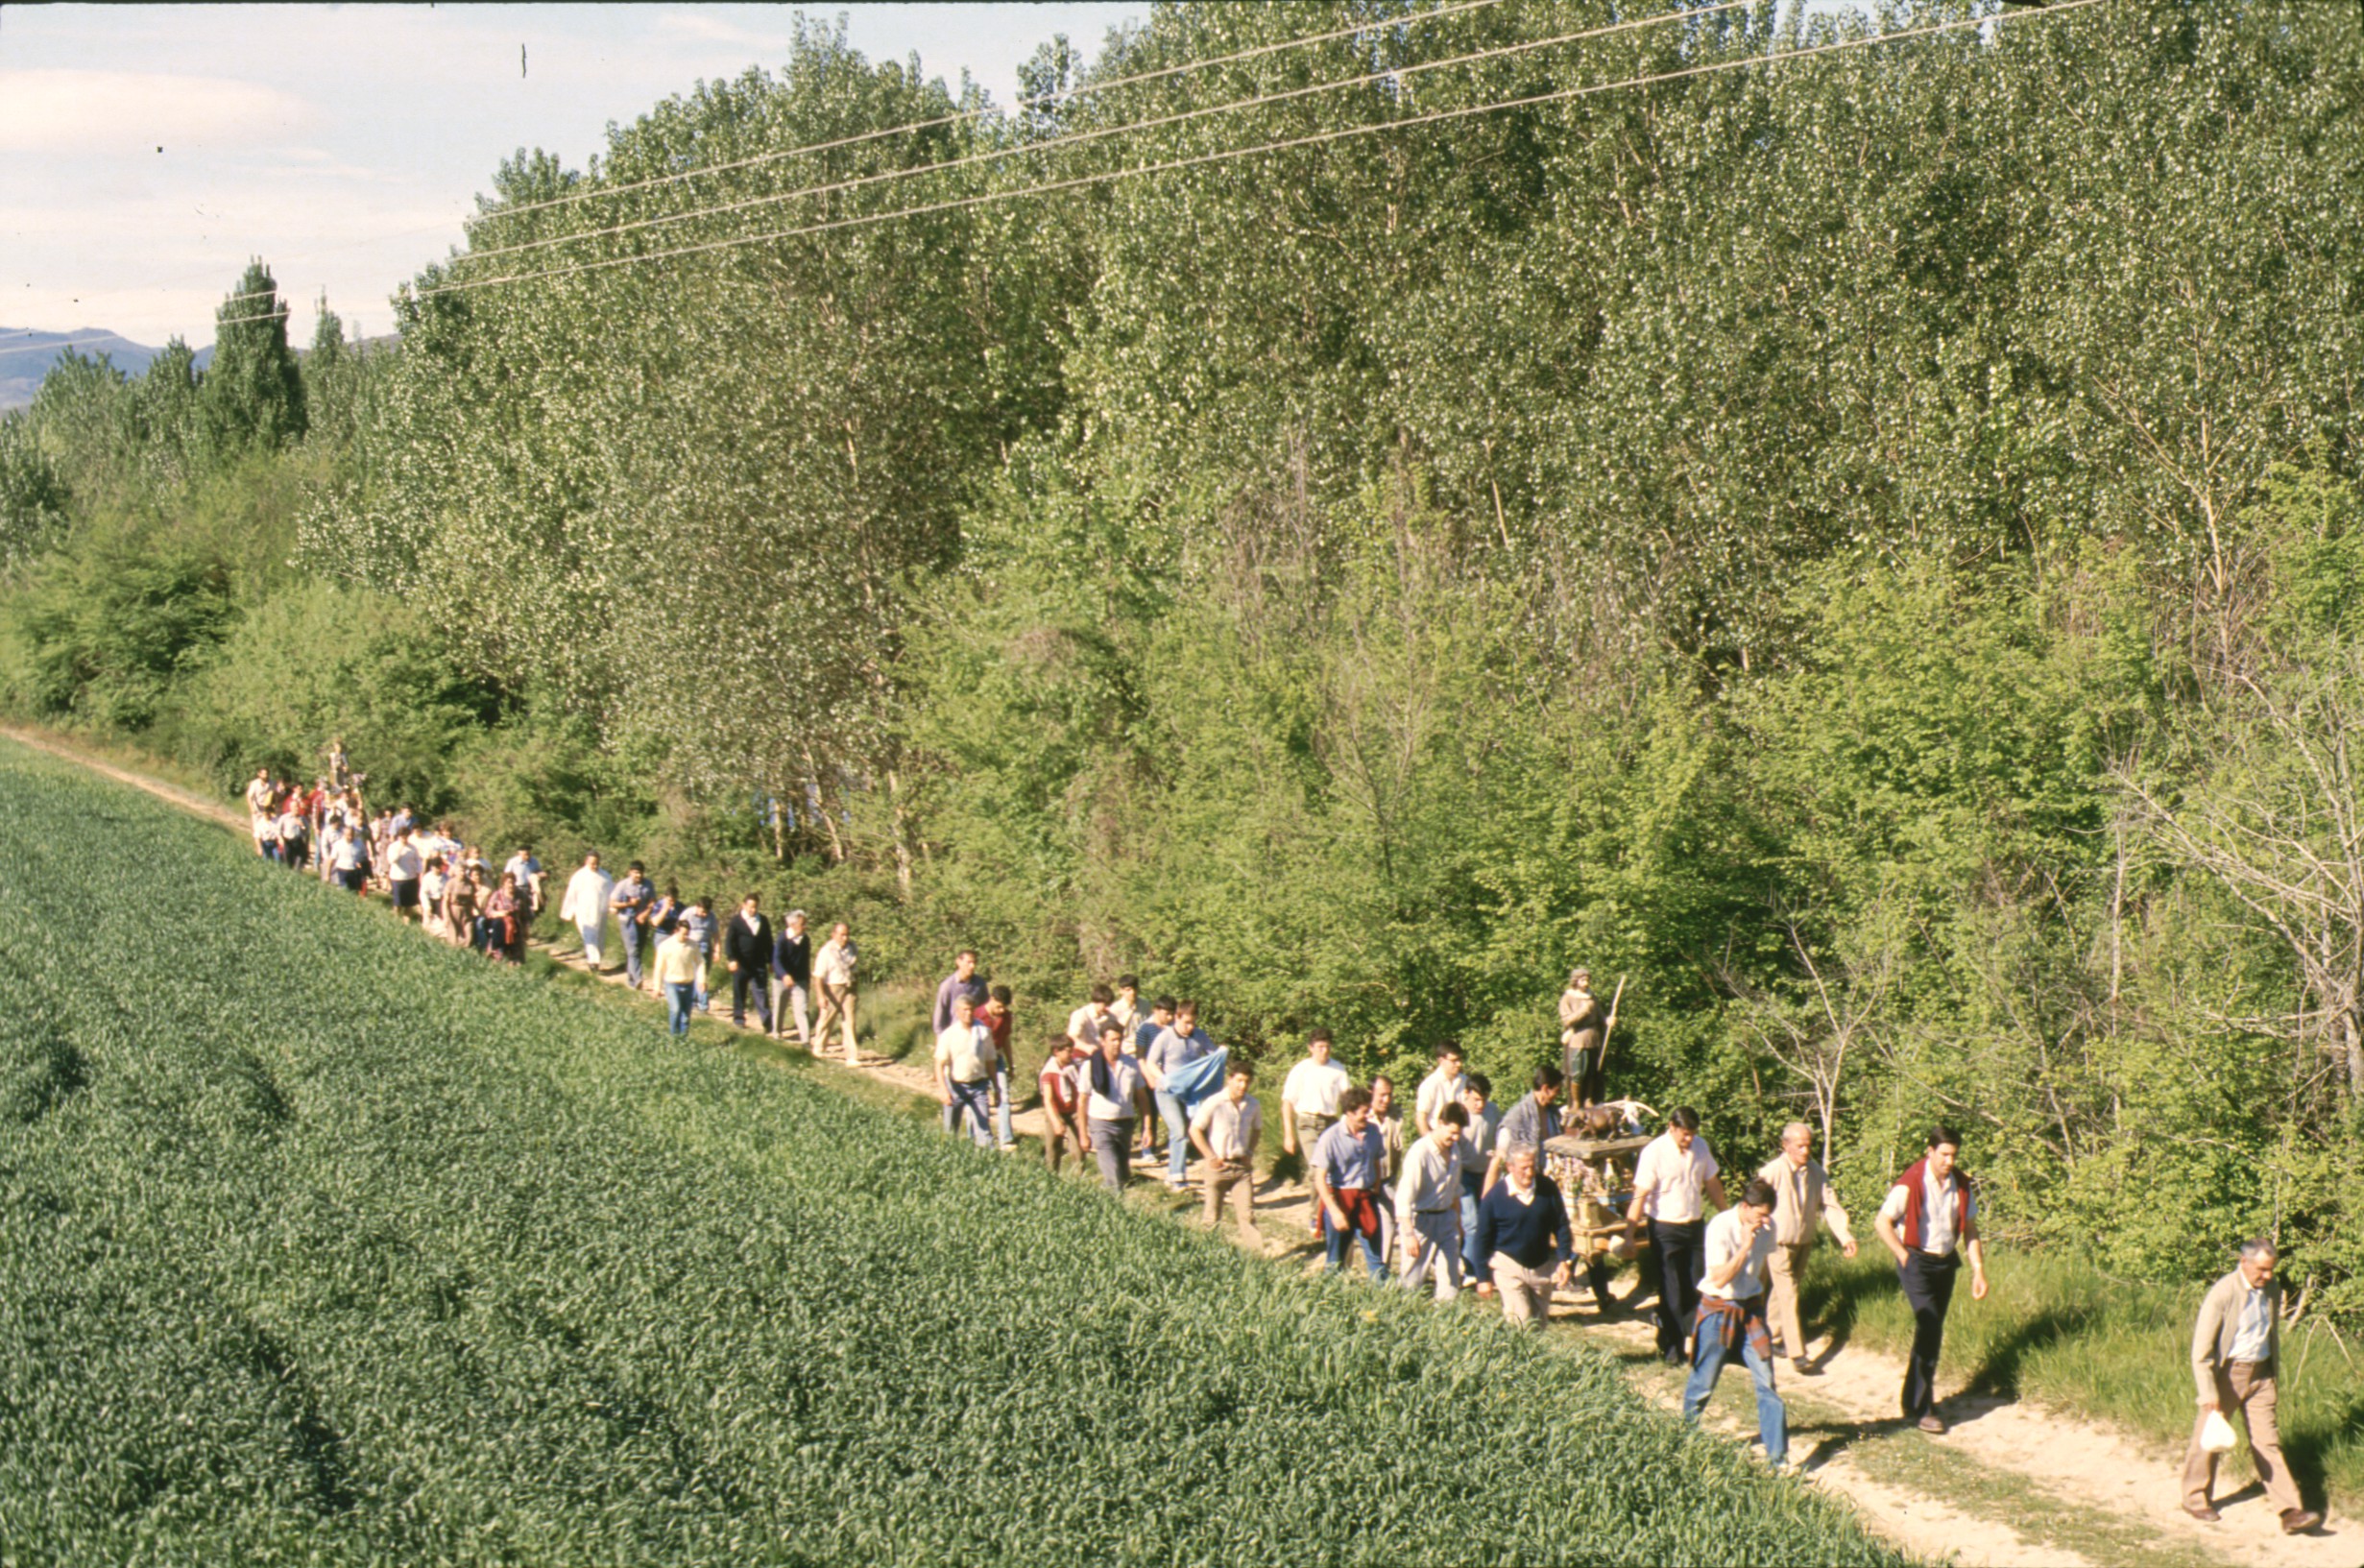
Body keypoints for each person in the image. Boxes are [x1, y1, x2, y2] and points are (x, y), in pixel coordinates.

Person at [2183, 1238, 2320, 1532]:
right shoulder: (2222, 1293)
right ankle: (2195, 1499)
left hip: (2262, 1373)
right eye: (2261, 1269)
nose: (2267, 1276)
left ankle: (2290, 1510)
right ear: (2243, 1263)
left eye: (2270, 1270)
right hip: (2228, 1374)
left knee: (2267, 1442)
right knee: (2209, 1439)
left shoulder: (2271, 1288)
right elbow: (2201, 1351)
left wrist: (2270, 1373)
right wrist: (2208, 1392)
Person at [1873, 1125, 1989, 1434]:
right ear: (1930, 1152)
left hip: (1945, 1262)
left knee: (1931, 1329)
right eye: (1944, 1154)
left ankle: (1912, 1401)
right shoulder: (1911, 1183)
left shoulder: (1961, 1185)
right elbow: (1882, 1222)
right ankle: (1924, 1407)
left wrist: (1978, 1269)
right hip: (1916, 1259)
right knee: (1930, 1327)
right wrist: (1903, 1255)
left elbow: (1970, 1229)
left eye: (1954, 1155)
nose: (1949, 1161)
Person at [1683, 1178, 1790, 1474]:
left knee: (1767, 1382)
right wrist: (1744, 1246)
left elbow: (1761, 1272)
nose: (1765, 1221)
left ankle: (1778, 1461)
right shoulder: (1720, 1226)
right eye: (1760, 1215)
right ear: (1744, 1208)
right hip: (1719, 1309)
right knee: (1703, 1382)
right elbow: (1718, 1278)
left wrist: (1760, 1306)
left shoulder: (1769, 1227)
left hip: (1750, 1311)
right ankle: (1684, 1438)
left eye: (1768, 1215)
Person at [1628, 1106, 1727, 1366]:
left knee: (1696, 1287)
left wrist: (1728, 1217)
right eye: (1685, 1134)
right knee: (1671, 1291)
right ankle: (1672, 1349)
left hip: (1693, 1225)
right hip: (1664, 1229)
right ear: (1671, 1126)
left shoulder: (1700, 1147)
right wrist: (1629, 1234)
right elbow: (1641, 1194)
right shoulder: (1654, 1152)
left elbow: (1712, 1183)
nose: (1689, 1139)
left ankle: (1696, 1343)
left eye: (1693, 1134)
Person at [1757, 1122, 1857, 1374]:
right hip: (1776, 1242)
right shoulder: (1772, 1172)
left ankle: (1772, 1337)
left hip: (1803, 1241)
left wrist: (1845, 1236)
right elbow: (1755, 1202)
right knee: (1789, 1294)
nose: (1805, 1151)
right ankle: (1798, 1353)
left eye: (1809, 1145)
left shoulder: (1815, 1172)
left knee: (1782, 1293)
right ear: (1786, 1145)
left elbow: (1830, 1205)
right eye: (1800, 1146)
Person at [1472, 1143, 1575, 1328]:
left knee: (1538, 1324)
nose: (1529, 1173)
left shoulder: (1547, 1188)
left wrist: (1564, 1260)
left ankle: (1534, 1357)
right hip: (1508, 1263)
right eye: (1523, 1168)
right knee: (1520, 1321)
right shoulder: (1495, 1197)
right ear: (1510, 1167)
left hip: (1541, 1266)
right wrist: (1482, 1278)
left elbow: (1561, 1225)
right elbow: (1481, 1239)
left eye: (1532, 1167)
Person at [1313, 1089, 1389, 1281]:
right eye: (1364, 1112)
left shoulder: (1373, 1132)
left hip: (1365, 1199)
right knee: (1335, 1260)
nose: (1369, 1115)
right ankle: (1329, 1299)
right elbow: (1319, 1177)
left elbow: (1376, 1161)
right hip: (1341, 1198)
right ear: (1349, 1112)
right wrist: (1335, 1211)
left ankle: (1383, 1299)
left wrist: (1376, 1186)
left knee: (1375, 1256)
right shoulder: (1331, 1137)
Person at [1395, 1101, 1468, 1300]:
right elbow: (1403, 1198)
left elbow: (1454, 1191)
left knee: (1451, 1279)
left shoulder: (1455, 1151)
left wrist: (1459, 1224)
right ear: (1440, 1123)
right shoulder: (1420, 1153)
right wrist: (1409, 1234)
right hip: (1421, 1222)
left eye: (1458, 1134)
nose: (1455, 1138)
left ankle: (1445, 1320)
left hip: (1447, 1220)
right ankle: (1402, 1317)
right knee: (1412, 1280)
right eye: (1451, 1133)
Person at [1189, 1062, 1264, 1249]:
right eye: (1239, 1080)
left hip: (1241, 1168)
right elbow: (1195, 1129)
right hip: (1218, 1167)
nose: (1242, 1086)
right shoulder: (1215, 1102)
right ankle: (1205, 1255)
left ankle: (1257, 1260)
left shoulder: (1253, 1104)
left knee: (1248, 1215)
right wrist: (1210, 1157)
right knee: (1212, 1216)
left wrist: (1250, 1152)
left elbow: (1257, 1129)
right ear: (1230, 1079)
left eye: (1246, 1081)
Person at [1145, 1000, 1217, 1192]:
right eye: (1186, 1023)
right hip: (1167, 1092)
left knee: (1190, 1129)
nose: (1190, 1027)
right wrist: (1164, 1078)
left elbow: (1213, 1056)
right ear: (1177, 1017)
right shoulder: (1164, 1037)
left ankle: (1172, 1173)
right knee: (1178, 1130)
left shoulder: (1199, 1035)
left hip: (1190, 1092)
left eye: (1193, 1023)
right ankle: (1178, 1177)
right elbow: (1151, 1062)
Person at [1279, 1027, 1351, 1185]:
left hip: (1330, 1124)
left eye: (1327, 1047)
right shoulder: (1301, 1070)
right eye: (1320, 1048)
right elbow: (1287, 1103)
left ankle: (1320, 1208)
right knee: (1317, 1168)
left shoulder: (1338, 1069)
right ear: (1311, 1048)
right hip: (1307, 1123)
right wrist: (1288, 1135)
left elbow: (1347, 1101)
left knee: (1330, 1169)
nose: (1324, 1051)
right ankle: (1318, 1209)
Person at [1084, 1020, 1148, 1193]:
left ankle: (1102, 1195)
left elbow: (1142, 1098)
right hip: (1100, 1123)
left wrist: (1147, 1127)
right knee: (1112, 1174)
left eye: (1119, 1039)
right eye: (1112, 1039)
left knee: (1121, 1172)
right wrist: (1083, 1132)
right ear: (1103, 1041)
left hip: (1125, 1123)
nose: (1117, 1043)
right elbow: (1082, 1100)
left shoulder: (1131, 1064)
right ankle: (1114, 1207)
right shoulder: (1090, 1065)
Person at [1485, 1066, 1567, 1194]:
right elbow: (1497, 1161)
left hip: (1551, 1184)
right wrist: (1486, 1201)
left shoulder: (1554, 1114)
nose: (1559, 1094)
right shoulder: (1516, 1118)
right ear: (1545, 1088)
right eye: (1557, 1090)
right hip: (1522, 1187)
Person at [934, 993, 1000, 1147]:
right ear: (957, 1012)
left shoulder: (984, 1032)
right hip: (956, 1086)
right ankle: (947, 1158)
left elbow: (990, 1061)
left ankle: (988, 1161)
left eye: (971, 1010)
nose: (968, 1013)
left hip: (979, 1085)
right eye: (964, 1010)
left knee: (984, 1128)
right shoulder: (949, 1035)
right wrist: (944, 1091)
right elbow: (939, 1064)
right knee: (950, 1129)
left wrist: (996, 1088)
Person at [1457, 1073, 1502, 1278]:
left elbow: (1500, 1138)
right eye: (1476, 1100)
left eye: (1484, 1099)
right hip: (1463, 1174)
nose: (1480, 1104)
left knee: (1487, 1222)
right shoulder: (1458, 1113)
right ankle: (1471, 1272)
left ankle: (1483, 1263)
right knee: (1471, 1224)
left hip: (1486, 1174)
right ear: (1466, 1094)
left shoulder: (1493, 1111)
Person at [1038, 1033, 1089, 1174]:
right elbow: (1048, 1100)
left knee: (1078, 1149)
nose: (1071, 1054)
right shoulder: (1049, 1072)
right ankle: (1051, 1177)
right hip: (1056, 1112)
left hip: (1073, 1112)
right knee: (1053, 1148)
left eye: (1072, 1050)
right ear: (1056, 1052)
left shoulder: (1073, 1067)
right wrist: (1056, 1121)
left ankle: (1079, 1177)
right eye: (1068, 1051)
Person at [723, 893, 773, 1031]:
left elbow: (768, 941)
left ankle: (767, 1021)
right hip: (742, 963)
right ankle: (739, 1017)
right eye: (750, 907)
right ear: (744, 905)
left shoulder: (763, 920)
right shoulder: (736, 921)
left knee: (761, 991)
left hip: (758, 963)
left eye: (755, 907)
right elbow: (729, 942)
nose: (753, 910)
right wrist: (731, 958)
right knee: (740, 990)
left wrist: (771, 960)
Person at [559, 853, 615, 971]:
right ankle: (593, 962)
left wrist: (612, 906)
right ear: (586, 862)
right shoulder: (579, 876)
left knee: (600, 937)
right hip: (583, 910)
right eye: (592, 863)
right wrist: (568, 912)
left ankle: (597, 958)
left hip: (600, 910)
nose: (594, 866)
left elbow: (612, 893)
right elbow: (571, 894)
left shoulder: (605, 876)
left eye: (596, 863)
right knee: (589, 935)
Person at [811, 921, 858, 1063]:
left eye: (847, 935)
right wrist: (821, 996)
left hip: (849, 986)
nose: (845, 938)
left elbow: (854, 967)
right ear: (834, 935)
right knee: (827, 1019)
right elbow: (818, 976)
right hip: (833, 987)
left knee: (849, 1021)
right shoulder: (826, 951)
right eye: (842, 935)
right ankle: (819, 1047)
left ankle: (851, 1056)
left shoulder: (852, 948)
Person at [1559, 968, 1606, 1106]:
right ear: (1576, 981)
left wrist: (1608, 1020)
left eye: (1587, 980)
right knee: (1578, 1072)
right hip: (1577, 1038)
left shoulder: (1592, 998)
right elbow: (1567, 1020)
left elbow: (1600, 1017)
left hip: (1593, 1037)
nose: (1586, 983)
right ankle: (1575, 1102)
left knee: (1591, 1071)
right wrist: (1584, 1011)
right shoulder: (1567, 998)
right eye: (1583, 980)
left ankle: (1588, 1099)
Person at [979, 984, 1017, 1151]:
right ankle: (980, 1138)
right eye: (999, 1006)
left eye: (1005, 1007)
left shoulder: (1007, 1017)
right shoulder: (977, 1015)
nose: (1002, 1010)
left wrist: (1011, 1064)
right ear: (992, 999)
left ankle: (1006, 1139)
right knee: (979, 1099)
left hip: (997, 1058)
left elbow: (1007, 1040)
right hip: (979, 1061)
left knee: (1003, 1095)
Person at [653, 919, 704, 1037]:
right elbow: (659, 968)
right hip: (672, 983)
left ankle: (683, 1039)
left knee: (686, 1015)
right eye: (683, 934)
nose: (686, 937)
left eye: (688, 934)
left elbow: (700, 962)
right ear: (676, 931)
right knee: (675, 1009)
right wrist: (657, 987)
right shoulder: (665, 946)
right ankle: (673, 1036)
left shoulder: (693, 945)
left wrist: (701, 980)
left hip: (688, 983)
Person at [770, 909, 812, 1044]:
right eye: (802, 924)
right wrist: (784, 975)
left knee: (801, 1009)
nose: (805, 926)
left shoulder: (805, 940)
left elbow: (805, 961)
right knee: (779, 1007)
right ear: (793, 925)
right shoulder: (782, 938)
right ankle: (777, 1033)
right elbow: (776, 960)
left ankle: (805, 1040)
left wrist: (807, 981)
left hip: (799, 980)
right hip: (781, 979)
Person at [610, 863, 654, 990]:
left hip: (642, 920)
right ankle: (638, 978)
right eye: (635, 872)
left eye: (640, 873)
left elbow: (652, 901)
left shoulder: (648, 884)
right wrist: (628, 904)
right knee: (633, 948)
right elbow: (612, 902)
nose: (638, 875)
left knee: (638, 949)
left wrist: (645, 914)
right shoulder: (623, 885)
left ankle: (631, 979)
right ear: (630, 872)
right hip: (627, 920)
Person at [1413, 1044, 1467, 1138]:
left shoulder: (1465, 1081)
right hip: (1438, 1137)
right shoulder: (1430, 1084)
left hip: (1462, 1140)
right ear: (1441, 1061)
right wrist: (1430, 1144)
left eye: (1460, 1059)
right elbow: (1421, 1118)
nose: (1459, 1064)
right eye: (1454, 1061)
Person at [933, 950, 989, 1034]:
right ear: (958, 962)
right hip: (954, 1035)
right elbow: (940, 1015)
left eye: (974, 962)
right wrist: (941, 1039)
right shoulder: (948, 986)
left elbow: (986, 1009)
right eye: (969, 962)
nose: (972, 966)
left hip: (976, 1033)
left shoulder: (980, 984)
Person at [682, 896, 716, 1014]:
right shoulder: (687, 914)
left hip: (705, 946)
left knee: (701, 974)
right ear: (697, 907)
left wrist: (717, 950)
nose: (704, 915)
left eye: (706, 912)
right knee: (696, 974)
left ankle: (695, 1001)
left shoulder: (711, 916)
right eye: (702, 912)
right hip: (690, 947)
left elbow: (716, 934)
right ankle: (702, 1004)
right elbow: (678, 931)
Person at [1370, 1075, 1405, 1184]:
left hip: (1388, 1180)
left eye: (1389, 1095)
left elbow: (1401, 1149)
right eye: (1382, 1095)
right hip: (1365, 1182)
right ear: (1370, 1093)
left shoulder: (1396, 1115)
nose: (1387, 1100)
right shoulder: (1361, 1117)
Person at [1068, 983, 1118, 1055]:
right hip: (1081, 1057)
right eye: (1105, 1005)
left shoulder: (1111, 1017)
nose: (1108, 1008)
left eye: (1109, 1005)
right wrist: (1086, 1047)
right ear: (1095, 1001)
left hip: (1102, 1056)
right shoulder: (1081, 1015)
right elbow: (1071, 1038)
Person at [385, 828, 422, 922]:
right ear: (399, 836)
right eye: (402, 836)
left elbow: (417, 861)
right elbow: (392, 860)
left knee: (409, 904)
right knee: (398, 903)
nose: (404, 838)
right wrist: (400, 849)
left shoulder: (413, 847)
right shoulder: (393, 847)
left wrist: (419, 872)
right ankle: (395, 921)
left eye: (406, 836)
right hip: (398, 878)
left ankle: (407, 922)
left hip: (411, 877)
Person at [483, 873, 521, 962]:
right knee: (499, 925)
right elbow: (488, 910)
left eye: (512, 882)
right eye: (508, 882)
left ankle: (512, 955)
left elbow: (525, 910)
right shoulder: (497, 894)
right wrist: (498, 913)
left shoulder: (519, 894)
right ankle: (497, 950)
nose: (510, 885)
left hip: (514, 920)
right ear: (504, 883)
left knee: (512, 927)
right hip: (499, 919)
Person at [503, 845, 545, 916]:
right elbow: (506, 875)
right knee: (520, 908)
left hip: (531, 888)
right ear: (519, 853)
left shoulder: (534, 861)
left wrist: (542, 875)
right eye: (525, 854)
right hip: (518, 888)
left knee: (535, 908)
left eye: (529, 854)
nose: (527, 856)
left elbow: (539, 871)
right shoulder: (513, 862)